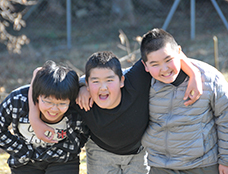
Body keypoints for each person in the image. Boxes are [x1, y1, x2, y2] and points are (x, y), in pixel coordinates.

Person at [29, 51, 202, 174]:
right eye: (95, 81)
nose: (103, 87)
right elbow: (38, 72)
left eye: (109, 80)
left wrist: (194, 74)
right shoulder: (80, 98)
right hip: (100, 152)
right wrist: (34, 118)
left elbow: (166, 49)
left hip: (138, 152)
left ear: (121, 81)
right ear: (88, 85)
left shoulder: (135, 81)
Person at [140, 28, 228, 174]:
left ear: (179, 52)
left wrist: (226, 160)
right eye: (155, 64)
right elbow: (104, 75)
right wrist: (86, 87)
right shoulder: (140, 80)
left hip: (203, 165)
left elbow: (225, 119)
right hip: (159, 166)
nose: (164, 69)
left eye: (168, 60)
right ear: (145, 66)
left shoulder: (211, 79)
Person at [0, 60, 88, 174]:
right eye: (47, 102)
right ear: (36, 95)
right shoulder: (18, 101)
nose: (54, 109)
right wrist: (21, 150)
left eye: (62, 104)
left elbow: (85, 132)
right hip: (25, 160)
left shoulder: (76, 108)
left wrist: (69, 148)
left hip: (62, 159)